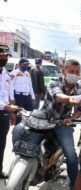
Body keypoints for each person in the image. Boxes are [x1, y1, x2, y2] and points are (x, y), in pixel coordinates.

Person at [39, 59, 81, 190]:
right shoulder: (54, 81)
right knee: (22, 135)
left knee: (71, 156)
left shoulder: (80, 88)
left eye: (77, 72)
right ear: (63, 71)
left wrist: (71, 119)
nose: (74, 74)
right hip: (45, 120)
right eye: (71, 71)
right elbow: (58, 96)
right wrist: (71, 99)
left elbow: (79, 110)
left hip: (63, 123)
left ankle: (74, 185)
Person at [0, 44, 22, 179]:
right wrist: (8, 107)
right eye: (1, 55)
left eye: (5, 56)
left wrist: (12, 112)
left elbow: (9, 95)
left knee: (1, 143)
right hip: (4, 109)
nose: (3, 58)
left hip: (3, 114)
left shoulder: (6, 73)